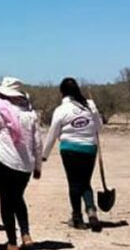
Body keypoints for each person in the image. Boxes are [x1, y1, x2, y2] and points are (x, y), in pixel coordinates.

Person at [0, 77, 43, 250]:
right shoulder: (30, 113)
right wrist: (38, 166)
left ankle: (12, 241)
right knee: (18, 198)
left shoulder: (0, 112)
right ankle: (26, 234)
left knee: (6, 201)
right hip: (26, 165)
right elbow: (37, 143)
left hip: (5, 161)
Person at [43, 78, 103, 232]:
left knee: (74, 184)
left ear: (62, 92)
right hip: (89, 148)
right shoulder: (90, 105)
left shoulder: (61, 110)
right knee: (85, 182)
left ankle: (77, 217)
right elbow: (99, 127)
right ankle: (91, 212)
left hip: (70, 149)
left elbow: (52, 133)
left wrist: (44, 154)